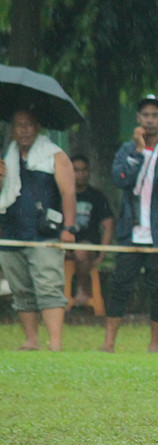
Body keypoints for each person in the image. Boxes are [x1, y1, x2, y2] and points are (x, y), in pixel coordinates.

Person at [102, 94, 158, 353]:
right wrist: (139, 152)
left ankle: (154, 344)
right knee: (120, 285)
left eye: (155, 116)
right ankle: (108, 343)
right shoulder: (127, 150)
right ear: (138, 119)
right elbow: (120, 180)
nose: (150, 120)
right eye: (145, 115)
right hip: (131, 232)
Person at [0, 109, 77, 351]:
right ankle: (31, 339)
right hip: (11, 232)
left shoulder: (55, 155)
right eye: (19, 125)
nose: (23, 129)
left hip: (44, 232)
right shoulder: (6, 157)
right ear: (12, 130)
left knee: (49, 286)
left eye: (29, 124)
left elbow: (69, 193)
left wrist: (69, 227)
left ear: (38, 127)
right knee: (20, 289)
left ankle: (55, 342)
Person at [69, 154, 114, 308]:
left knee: (82, 251)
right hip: (64, 245)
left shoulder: (97, 196)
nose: (80, 174)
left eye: (83, 170)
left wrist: (102, 254)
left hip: (88, 246)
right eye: (75, 170)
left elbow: (108, 225)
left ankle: (83, 290)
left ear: (89, 172)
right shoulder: (60, 195)